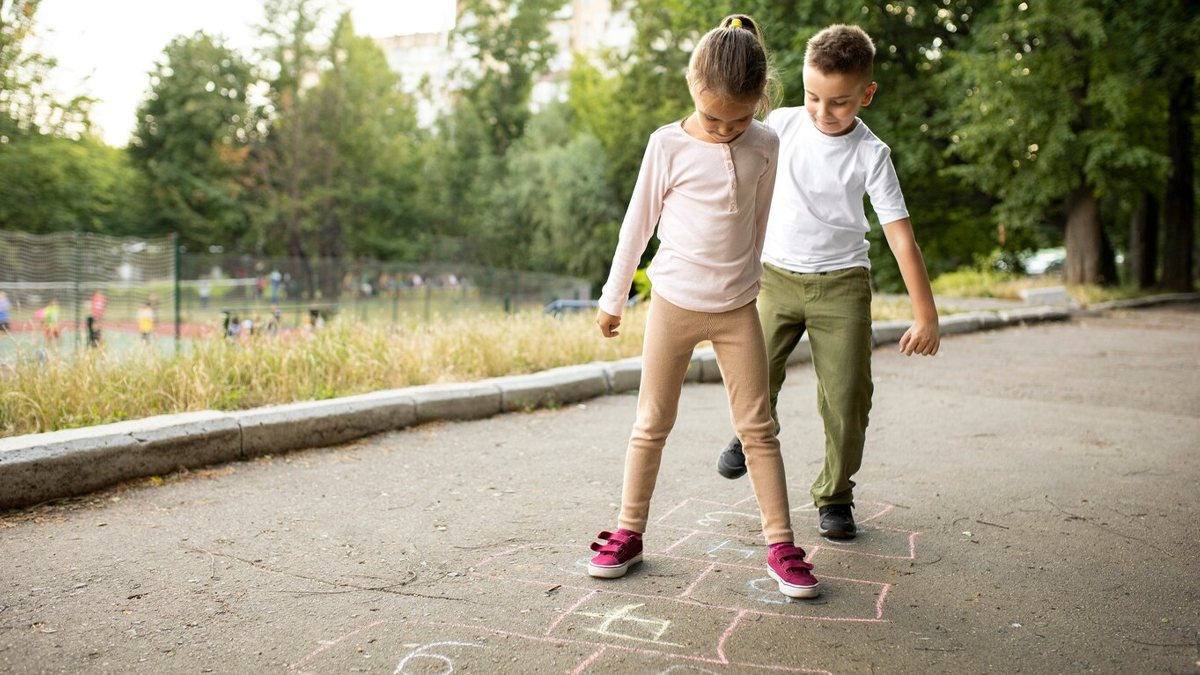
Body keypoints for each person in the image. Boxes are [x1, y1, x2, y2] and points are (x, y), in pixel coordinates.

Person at [587, 15, 818, 600]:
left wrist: (755, 281)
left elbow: (760, 220)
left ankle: (781, 543)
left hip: (737, 306)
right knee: (651, 424)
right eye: (714, 117)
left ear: (760, 103)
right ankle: (629, 532)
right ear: (692, 87)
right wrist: (615, 298)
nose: (724, 129)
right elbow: (635, 226)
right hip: (673, 303)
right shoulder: (666, 144)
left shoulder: (766, 142)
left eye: (739, 119)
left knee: (758, 427)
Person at [714, 25, 941, 541]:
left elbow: (902, 240)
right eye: (813, 96)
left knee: (847, 397)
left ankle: (835, 495)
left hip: (841, 285)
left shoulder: (872, 154)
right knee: (754, 375)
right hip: (774, 277)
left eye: (839, 102)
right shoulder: (781, 125)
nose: (822, 111)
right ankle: (748, 433)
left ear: (867, 94)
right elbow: (727, 146)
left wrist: (925, 315)